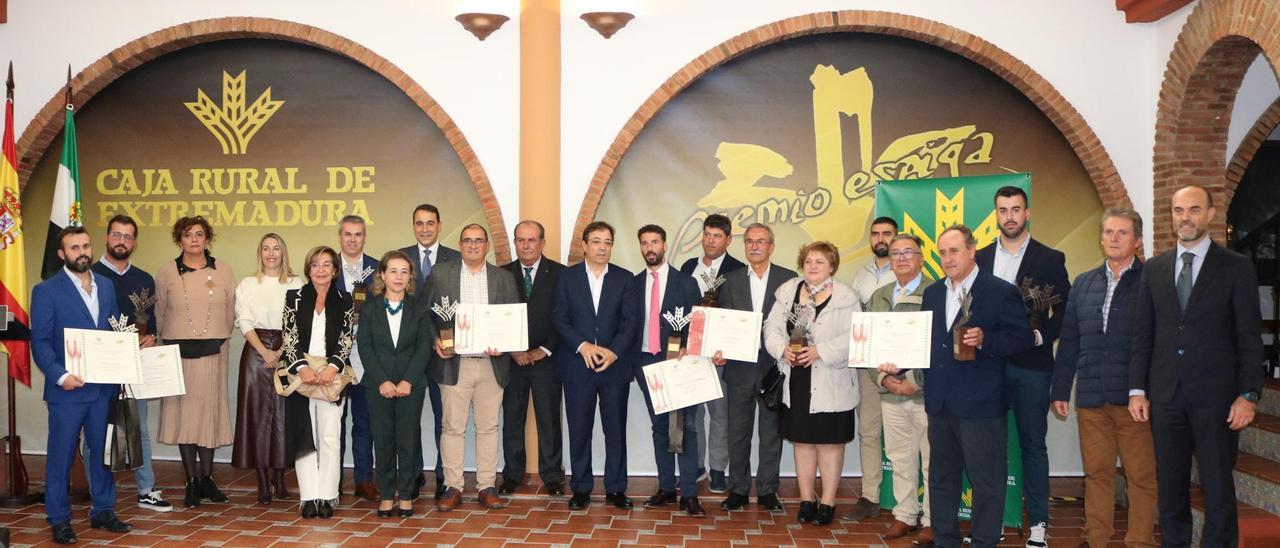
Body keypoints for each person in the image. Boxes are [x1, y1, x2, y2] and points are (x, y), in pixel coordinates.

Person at [1129, 185, 1264, 548]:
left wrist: (1248, 394)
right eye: (1177, 210)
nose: (1184, 218)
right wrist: (1137, 389)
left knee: (1218, 489)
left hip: (1217, 400)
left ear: (1210, 214)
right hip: (1166, 398)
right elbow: (1144, 334)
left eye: (1192, 210)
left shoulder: (1236, 267)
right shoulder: (1155, 269)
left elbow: (1249, 337)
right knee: (1171, 490)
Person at [922, 225, 1034, 548]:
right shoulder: (932, 293)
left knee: (986, 481)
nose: (947, 258)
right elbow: (926, 344)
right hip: (940, 403)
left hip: (981, 405)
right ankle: (946, 540)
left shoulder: (998, 290)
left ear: (971, 251)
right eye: (942, 253)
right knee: (942, 479)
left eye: (954, 251)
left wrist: (986, 340)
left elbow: (1022, 338)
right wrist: (896, 365)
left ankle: (985, 541)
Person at [1051, 208, 1156, 548]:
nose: (1113, 238)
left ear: (1137, 241)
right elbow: (1069, 341)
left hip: (1134, 400)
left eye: (1122, 233)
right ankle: (1096, 538)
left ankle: (1139, 541)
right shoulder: (1084, 283)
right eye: (1108, 232)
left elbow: (1156, 341)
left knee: (1140, 476)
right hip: (1092, 397)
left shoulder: (1152, 282)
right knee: (1097, 474)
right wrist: (1060, 389)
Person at [974, 186, 1069, 547]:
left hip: (1032, 366)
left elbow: (1064, 310)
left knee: (1032, 445)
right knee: (990, 446)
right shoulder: (979, 258)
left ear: (1027, 213)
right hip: (988, 367)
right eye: (1003, 210)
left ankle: (1039, 525)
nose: (1009, 216)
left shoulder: (1050, 258)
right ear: (996, 214)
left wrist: (1041, 337)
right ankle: (992, 523)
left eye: (1016, 209)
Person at [32, 226, 132, 544]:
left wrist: (128, 347)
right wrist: (61, 376)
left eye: (86, 246)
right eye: (74, 247)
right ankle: (59, 519)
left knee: (102, 454)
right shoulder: (46, 291)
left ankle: (103, 510)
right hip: (68, 390)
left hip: (102, 388)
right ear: (62, 254)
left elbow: (113, 332)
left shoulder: (105, 285)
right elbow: (41, 341)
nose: (82, 252)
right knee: (61, 457)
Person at [762, 241, 859, 526]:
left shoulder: (846, 297)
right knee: (802, 443)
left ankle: (828, 502)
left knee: (830, 444)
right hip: (797, 379)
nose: (813, 266)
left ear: (832, 265)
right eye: (808, 261)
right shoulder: (789, 291)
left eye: (820, 261)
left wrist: (820, 351)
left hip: (832, 378)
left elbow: (855, 336)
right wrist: (783, 349)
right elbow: (772, 328)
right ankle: (807, 500)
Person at [427, 224, 520, 511]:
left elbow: (512, 318)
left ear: (487, 245)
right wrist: (435, 341)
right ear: (460, 244)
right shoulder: (442, 274)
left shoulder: (503, 278)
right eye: (467, 240)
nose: (473, 245)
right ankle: (453, 486)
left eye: (479, 241)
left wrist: (505, 342)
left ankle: (486, 486)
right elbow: (424, 313)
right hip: (454, 364)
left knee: (489, 427)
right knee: (452, 427)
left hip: (492, 364)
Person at [551, 221, 637, 510]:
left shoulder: (625, 279)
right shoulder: (567, 278)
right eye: (597, 241)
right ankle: (581, 487)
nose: (602, 247)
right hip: (577, 366)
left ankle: (616, 488)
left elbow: (630, 322)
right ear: (584, 245)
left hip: (614, 367)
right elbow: (559, 318)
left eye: (608, 242)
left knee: (615, 431)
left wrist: (614, 351)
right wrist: (582, 345)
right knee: (579, 430)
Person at [154, 215, 236, 508]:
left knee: (208, 416)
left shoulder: (223, 270)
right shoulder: (166, 272)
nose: (194, 239)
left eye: (200, 234)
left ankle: (207, 479)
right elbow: (160, 315)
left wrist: (218, 337)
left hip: (214, 352)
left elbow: (230, 313)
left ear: (207, 239)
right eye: (188, 235)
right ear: (180, 240)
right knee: (184, 416)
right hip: (178, 354)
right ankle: (190, 481)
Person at [89, 215, 169, 512]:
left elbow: (152, 322)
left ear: (134, 242)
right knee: (96, 430)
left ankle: (146, 490)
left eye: (128, 236)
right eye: (116, 234)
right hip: (99, 364)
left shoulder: (144, 279)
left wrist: (152, 338)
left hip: (135, 365)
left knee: (138, 429)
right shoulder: (90, 275)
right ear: (106, 238)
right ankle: (97, 495)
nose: (121, 241)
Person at [714, 223, 795, 514]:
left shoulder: (789, 279)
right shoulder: (730, 280)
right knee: (737, 431)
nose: (755, 246)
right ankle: (737, 489)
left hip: (774, 367)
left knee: (771, 431)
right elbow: (721, 322)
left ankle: (767, 490)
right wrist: (717, 349)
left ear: (771, 246)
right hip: (738, 366)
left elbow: (795, 325)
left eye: (761, 241)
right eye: (749, 241)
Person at [630, 224, 706, 516]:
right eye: (644, 242)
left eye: (655, 242)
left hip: (678, 364)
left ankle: (689, 493)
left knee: (684, 427)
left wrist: (690, 348)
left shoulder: (686, 283)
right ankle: (665, 487)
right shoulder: (634, 284)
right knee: (660, 426)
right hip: (645, 364)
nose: (650, 247)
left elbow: (697, 324)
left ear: (664, 245)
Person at [868, 234, 934, 546]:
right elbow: (865, 344)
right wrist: (883, 379)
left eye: (909, 252)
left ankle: (934, 520)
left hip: (924, 393)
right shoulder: (879, 296)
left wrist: (915, 381)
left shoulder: (936, 292)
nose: (902, 258)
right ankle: (906, 514)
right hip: (889, 392)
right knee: (900, 457)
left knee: (932, 459)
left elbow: (941, 346)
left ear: (921, 257)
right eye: (896, 253)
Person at [280, 245, 355, 519]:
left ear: (335, 270)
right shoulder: (294, 297)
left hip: (332, 375)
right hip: (302, 374)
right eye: (315, 265)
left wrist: (333, 367)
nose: (320, 270)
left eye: (326, 265)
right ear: (308, 269)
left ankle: (327, 495)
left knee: (330, 435)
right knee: (305, 436)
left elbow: (346, 338)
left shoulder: (345, 299)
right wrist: (301, 368)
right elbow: (288, 337)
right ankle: (308, 496)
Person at [358, 250, 435, 518]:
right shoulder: (369, 308)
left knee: (407, 440)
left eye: (404, 272)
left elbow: (424, 347)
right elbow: (365, 347)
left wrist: (407, 381)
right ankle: (387, 495)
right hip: (377, 386)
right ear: (382, 275)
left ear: (411, 276)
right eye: (393, 271)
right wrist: (382, 380)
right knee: (383, 441)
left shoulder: (419, 308)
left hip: (410, 386)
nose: (399, 277)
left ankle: (407, 494)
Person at [231, 233, 303, 505]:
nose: (271, 253)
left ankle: (279, 478)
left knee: (284, 417)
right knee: (256, 417)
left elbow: (298, 320)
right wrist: (264, 351)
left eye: (276, 248)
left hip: (287, 350)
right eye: (265, 249)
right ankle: (262, 480)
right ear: (259, 253)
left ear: (283, 253)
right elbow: (244, 321)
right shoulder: (248, 284)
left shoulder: (296, 283)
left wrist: (282, 351)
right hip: (256, 353)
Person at [499, 220, 567, 497]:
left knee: (548, 420)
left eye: (531, 240)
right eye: (520, 240)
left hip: (547, 359)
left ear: (542, 242)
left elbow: (564, 317)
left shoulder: (561, 274)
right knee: (512, 419)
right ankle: (512, 474)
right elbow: (497, 317)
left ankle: (552, 476)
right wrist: (512, 349)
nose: (526, 245)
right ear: (515, 242)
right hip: (512, 359)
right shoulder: (502, 274)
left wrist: (544, 349)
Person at [398, 203, 460, 499]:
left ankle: (442, 475)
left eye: (430, 223)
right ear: (413, 226)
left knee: (442, 417)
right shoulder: (399, 259)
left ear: (439, 225)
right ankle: (412, 473)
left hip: (441, 351)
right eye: (419, 223)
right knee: (408, 417)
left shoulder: (456, 259)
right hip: (408, 351)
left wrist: (444, 338)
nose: (425, 228)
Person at [679, 213, 744, 493]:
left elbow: (740, 314)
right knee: (692, 416)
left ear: (728, 239)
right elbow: (677, 310)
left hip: (720, 354)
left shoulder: (737, 269)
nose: (710, 240)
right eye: (706, 234)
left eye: (717, 235)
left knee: (719, 413)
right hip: (691, 352)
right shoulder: (687, 266)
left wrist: (728, 349)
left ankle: (718, 469)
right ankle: (697, 466)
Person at [843, 216, 898, 522]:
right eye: (876, 233)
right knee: (868, 431)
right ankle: (870, 496)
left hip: (901, 367)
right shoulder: (860, 275)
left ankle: (907, 504)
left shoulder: (906, 273)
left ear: (897, 237)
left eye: (887, 234)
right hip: (867, 367)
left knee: (904, 434)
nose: (881, 239)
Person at [335, 215, 379, 501]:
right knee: (333, 423)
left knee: (365, 422)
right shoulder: (327, 265)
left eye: (358, 234)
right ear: (340, 236)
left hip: (366, 357)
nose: (353, 239)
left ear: (365, 237)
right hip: (334, 358)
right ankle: (332, 481)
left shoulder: (377, 269)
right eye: (348, 234)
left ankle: (364, 480)